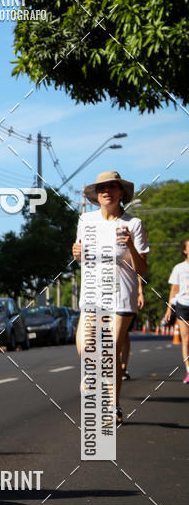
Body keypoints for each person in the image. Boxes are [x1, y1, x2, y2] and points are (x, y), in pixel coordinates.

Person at [72, 170, 149, 426]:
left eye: (112, 187)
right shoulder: (86, 220)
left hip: (121, 297)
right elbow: (81, 256)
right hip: (92, 295)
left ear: (120, 193)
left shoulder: (133, 224)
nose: (106, 191)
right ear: (96, 194)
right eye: (102, 188)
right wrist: (76, 253)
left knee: (109, 351)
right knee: (85, 349)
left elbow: (143, 269)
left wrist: (130, 246)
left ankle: (112, 405)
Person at [164, 239, 189, 383]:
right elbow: (174, 289)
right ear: (185, 251)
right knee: (186, 340)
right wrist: (169, 309)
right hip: (182, 305)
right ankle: (188, 371)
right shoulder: (179, 268)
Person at [120, 279, 144, 380]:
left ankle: (123, 368)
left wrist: (140, 293)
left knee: (123, 334)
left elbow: (138, 274)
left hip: (125, 297)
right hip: (104, 297)